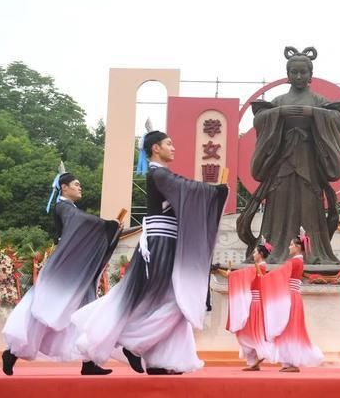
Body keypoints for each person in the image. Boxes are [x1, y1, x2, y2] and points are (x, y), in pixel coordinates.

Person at [72, 130, 228, 375]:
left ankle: (159, 360)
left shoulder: (162, 174)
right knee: (173, 301)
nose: (173, 147)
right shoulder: (159, 173)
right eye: (169, 143)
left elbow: (184, 193)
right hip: (160, 243)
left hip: (166, 241)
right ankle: (134, 344)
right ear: (156, 148)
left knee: (160, 301)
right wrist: (215, 192)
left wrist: (213, 193)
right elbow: (186, 188)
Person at [2, 169, 121, 376]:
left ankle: (89, 362)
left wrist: (110, 228)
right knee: (45, 309)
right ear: (64, 187)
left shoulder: (71, 209)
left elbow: (83, 223)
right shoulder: (63, 207)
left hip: (76, 268)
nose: (79, 187)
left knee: (84, 310)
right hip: (65, 267)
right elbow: (81, 223)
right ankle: (12, 352)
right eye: (75, 184)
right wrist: (108, 225)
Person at [237, 46, 340, 264]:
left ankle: (314, 253)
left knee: (310, 205)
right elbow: (260, 119)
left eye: (302, 72)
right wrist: (279, 113)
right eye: (293, 72)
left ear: (310, 75)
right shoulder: (278, 102)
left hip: (309, 164)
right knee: (279, 205)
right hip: (282, 164)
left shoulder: (318, 101)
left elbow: (338, 119)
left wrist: (312, 113)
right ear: (287, 75)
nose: (298, 76)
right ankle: (273, 251)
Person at [261, 231, 324, 372]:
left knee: (290, 329)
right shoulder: (298, 261)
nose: (289, 247)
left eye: (291, 245)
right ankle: (289, 362)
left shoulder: (294, 261)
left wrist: (264, 278)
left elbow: (280, 274)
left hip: (291, 297)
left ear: (297, 246)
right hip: (294, 296)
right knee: (290, 329)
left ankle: (292, 362)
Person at [226, 240, 275, 371]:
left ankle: (262, 352)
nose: (253, 254)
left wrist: (231, 275)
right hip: (255, 302)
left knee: (251, 331)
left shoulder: (260, 267)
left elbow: (243, 276)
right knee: (248, 331)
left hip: (255, 303)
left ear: (260, 254)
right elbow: (244, 275)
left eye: (255, 252)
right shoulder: (258, 267)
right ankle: (253, 360)